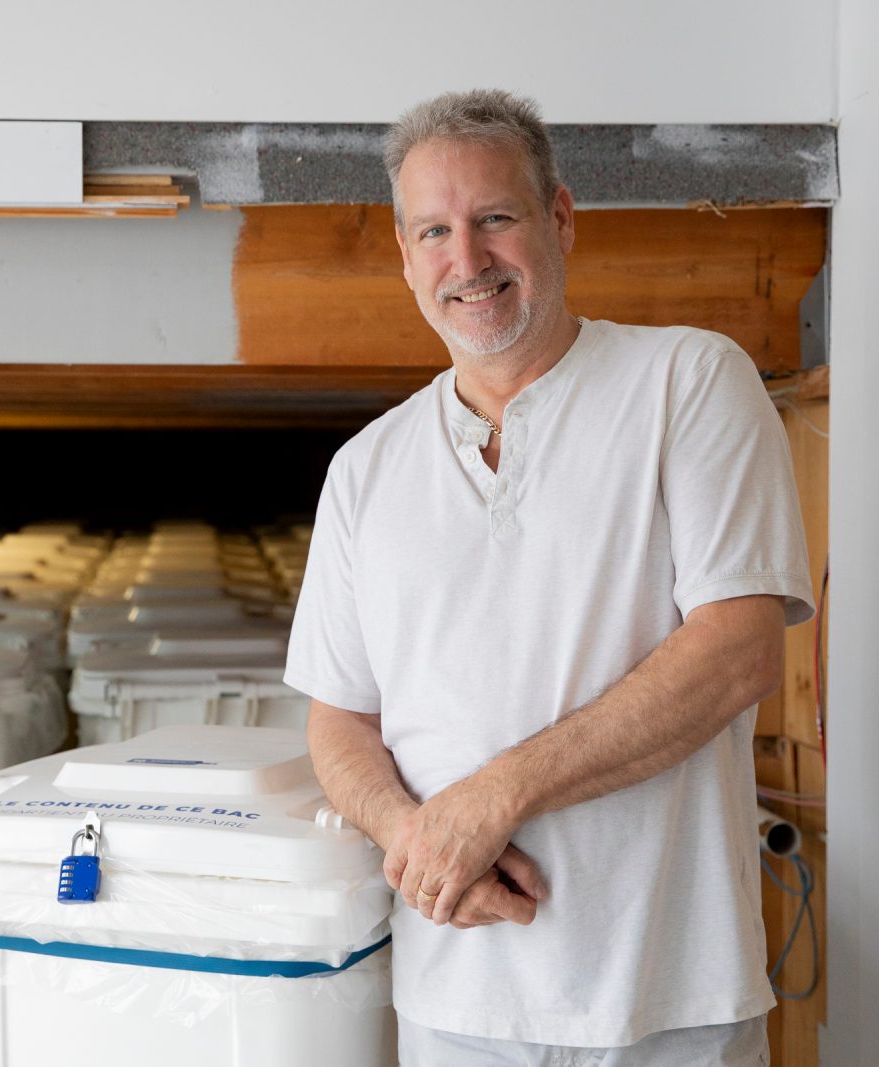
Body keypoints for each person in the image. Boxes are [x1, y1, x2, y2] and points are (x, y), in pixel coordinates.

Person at [283, 88, 815, 1065]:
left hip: (668, 993)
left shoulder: (687, 382)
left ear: (559, 219)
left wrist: (490, 800)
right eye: (434, 231)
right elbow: (338, 717)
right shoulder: (366, 467)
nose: (467, 260)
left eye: (494, 218)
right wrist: (420, 840)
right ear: (405, 257)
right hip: (456, 999)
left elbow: (737, 650)